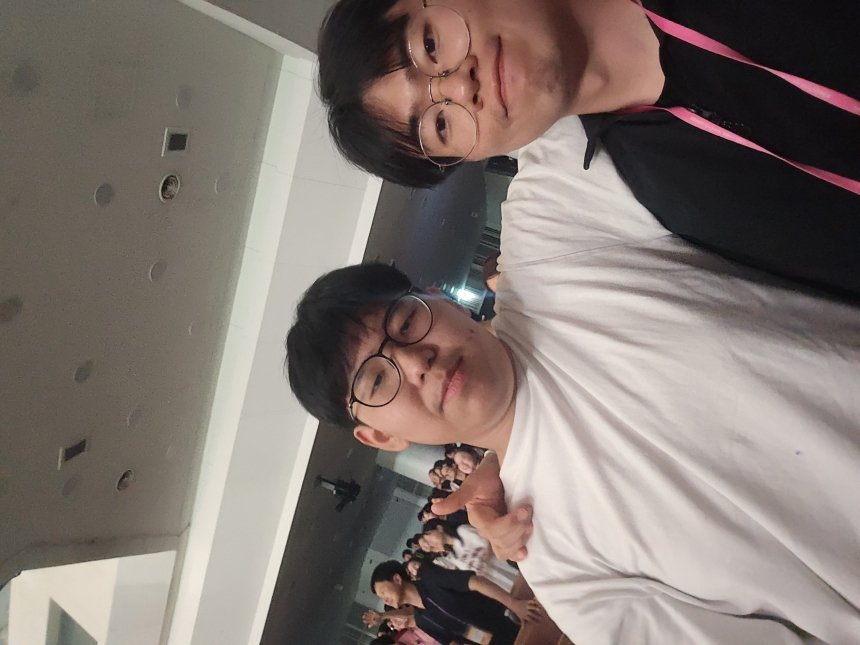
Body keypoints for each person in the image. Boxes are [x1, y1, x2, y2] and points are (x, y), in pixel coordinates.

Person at [285, 214, 860, 643]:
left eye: (406, 321)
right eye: (377, 381)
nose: (416, 363)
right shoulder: (562, 569)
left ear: (436, 297)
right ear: (381, 437)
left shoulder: (552, 255)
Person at [317, 0, 860, 299]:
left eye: (430, 45)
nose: (462, 86)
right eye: (439, 125)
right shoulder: (679, 199)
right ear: (471, 159)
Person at [363, 560, 539, 645]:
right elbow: (452, 641)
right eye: (380, 597)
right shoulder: (422, 620)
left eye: (383, 592)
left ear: (397, 579)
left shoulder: (432, 580)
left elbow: (475, 582)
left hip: (511, 620)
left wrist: (514, 604)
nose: (384, 599)